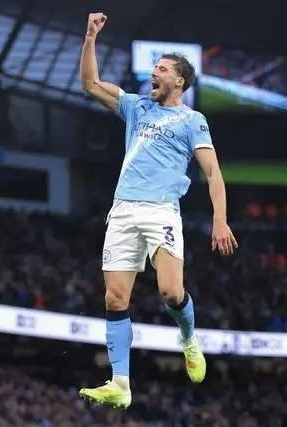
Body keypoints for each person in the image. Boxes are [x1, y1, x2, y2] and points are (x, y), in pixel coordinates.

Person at [78, 12, 238, 409]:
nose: (154, 72)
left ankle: (188, 338)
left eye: (162, 69)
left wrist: (219, 220)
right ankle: (120, 384)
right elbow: (90, 84)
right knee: (115, 299)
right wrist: (90, 38)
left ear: (179, 81)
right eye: (155, 68)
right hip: (122, 210)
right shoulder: (136, 107)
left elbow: (213, 173)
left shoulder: (192, 120)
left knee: (170, 292)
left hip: (161, 211)